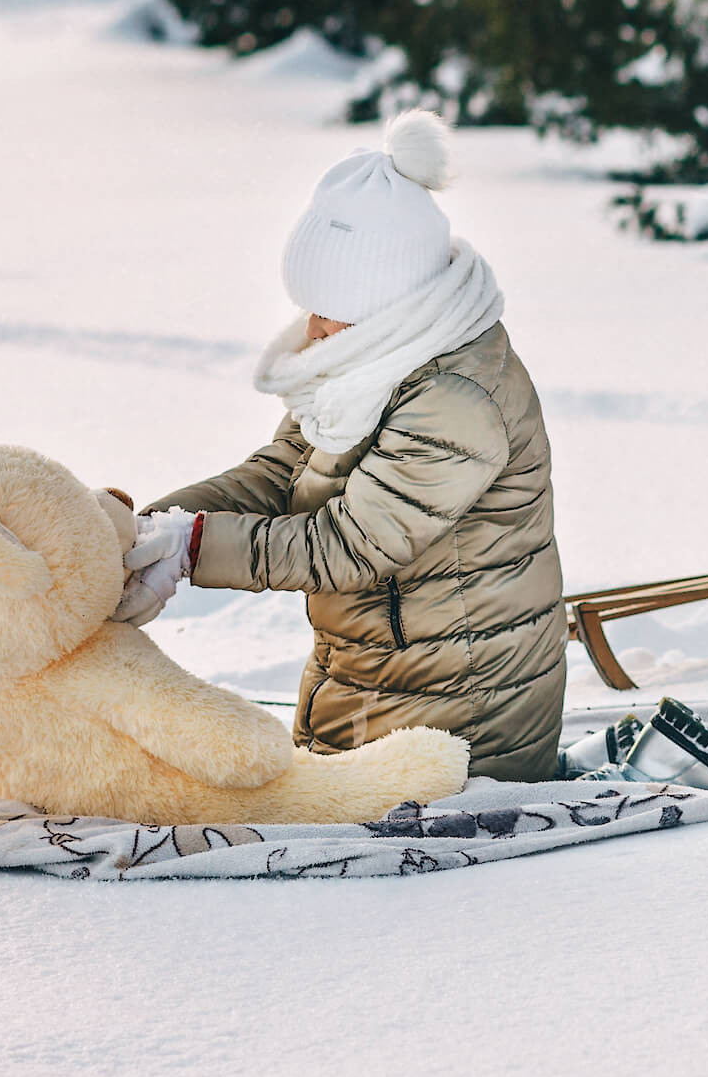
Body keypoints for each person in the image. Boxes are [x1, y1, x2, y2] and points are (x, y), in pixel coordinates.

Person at [114, 109, 565, 782]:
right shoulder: (371, 361)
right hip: (374, 681)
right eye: (311, 307)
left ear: (390, 301)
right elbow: (279, 475)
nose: (314, 329)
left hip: (460, 723)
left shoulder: (456, 397)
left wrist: (193, 547)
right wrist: (149, 527)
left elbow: (349, 546)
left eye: (333, 310)